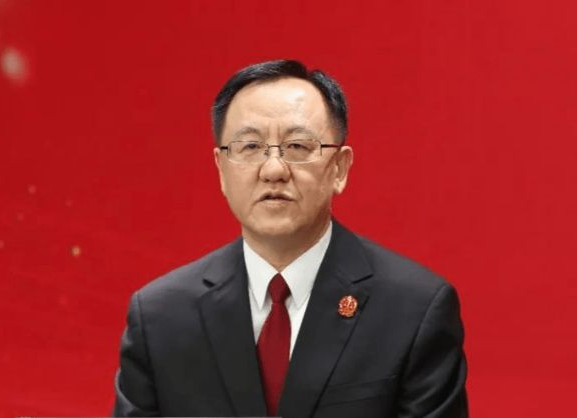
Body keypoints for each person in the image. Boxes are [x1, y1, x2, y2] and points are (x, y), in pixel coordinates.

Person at [112, 59, 468, 418]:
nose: (273, 170)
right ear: (221, 169)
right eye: (250, 147)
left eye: (297, 146)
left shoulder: (414, 309)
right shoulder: (160, 317)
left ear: (339, 168)